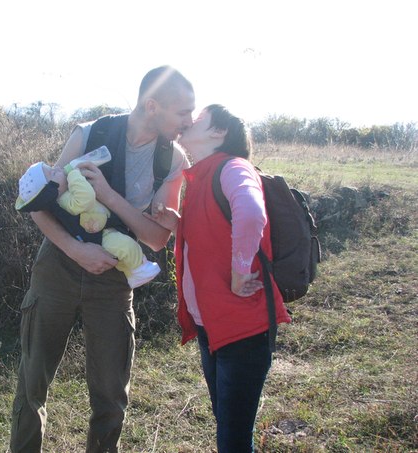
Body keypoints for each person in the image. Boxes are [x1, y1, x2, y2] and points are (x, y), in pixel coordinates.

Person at [10, 66, 195, 452]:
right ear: (152, 106)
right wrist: (76, 249)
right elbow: (38, 205)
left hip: (114, 278)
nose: (189, 122)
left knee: (111, 395)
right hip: (58, 266)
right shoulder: (88, 134)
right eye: (182, 112)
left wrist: (109, 197)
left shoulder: (172, 161)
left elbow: (156, 239)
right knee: (32, 384)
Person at [149, 104, 292, 452]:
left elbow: (251, 212)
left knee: (232, 438)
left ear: (219, 132)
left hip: (242, 329)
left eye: (198, 118)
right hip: (212, 326)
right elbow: (214, 235)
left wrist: (240, 270)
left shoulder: (232, 167)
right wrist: (176, 223)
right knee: (228, 425)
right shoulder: (202, 176)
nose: (188, 121)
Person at [14, 154, 161, 289]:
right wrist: (74, 174)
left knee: (120, 253)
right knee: (125, 245)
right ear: (51, 192)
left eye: (52, 168)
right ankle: (140, 268)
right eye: (53, 173)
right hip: (100, 236)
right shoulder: (64, 201)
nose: (58, 168)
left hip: (102, 228)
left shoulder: (65, 193)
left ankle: (132, 275)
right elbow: (86, 197)